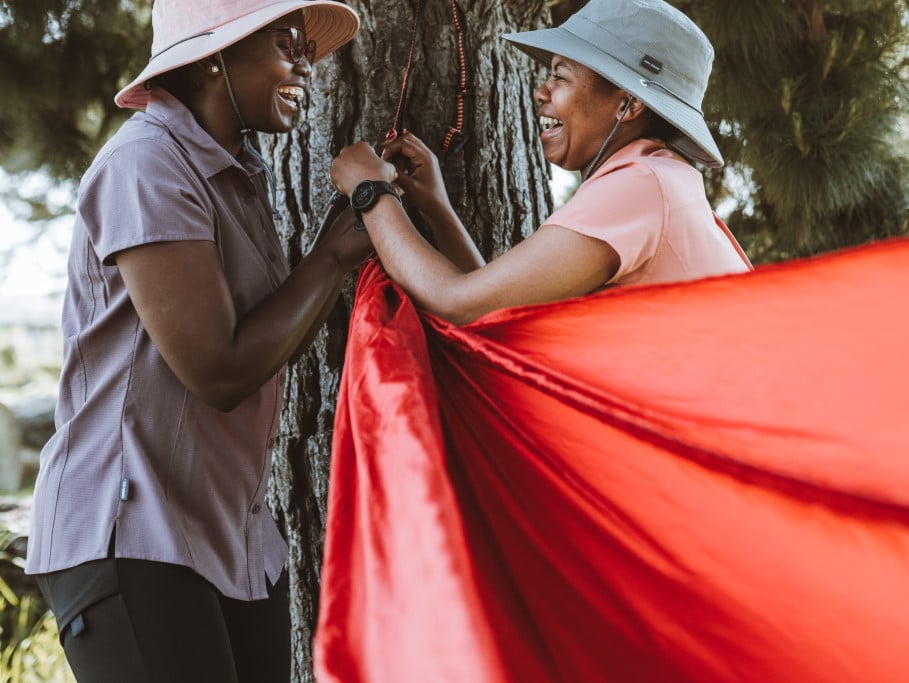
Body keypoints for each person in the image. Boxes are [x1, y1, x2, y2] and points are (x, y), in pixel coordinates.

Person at [25, 1, 367, 681]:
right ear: (213, 56)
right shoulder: (146, 163)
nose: (308, 64)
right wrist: (330, 256)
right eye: (284, 43)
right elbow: (218, 369)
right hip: (128, 534)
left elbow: (266, 338)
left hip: (230, 537)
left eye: (307, 48)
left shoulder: (238, 175)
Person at [329, 0, 751, 326]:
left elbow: (462, 305)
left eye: (561, 76)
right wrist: (437, 207)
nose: (540, 92)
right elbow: (501, 313)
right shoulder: (661, 179)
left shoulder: (642, 186)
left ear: (629, 103)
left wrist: (371, 192)